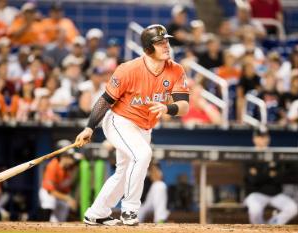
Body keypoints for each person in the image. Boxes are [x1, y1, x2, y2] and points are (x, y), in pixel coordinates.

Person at [75, 24, 189, 226]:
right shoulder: (128, 69)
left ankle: (96, 213)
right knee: (143, 155)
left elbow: (184, 106)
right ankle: (129, 210)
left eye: (166, 41)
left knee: (123, 172)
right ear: (147, 48)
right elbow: (105, 100)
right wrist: (90, 127)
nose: (166, 45)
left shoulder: (176, 70)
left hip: (145, 127)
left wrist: (167, 109)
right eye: (160, 42)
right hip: (120, 121)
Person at [243, 127, 298, 224]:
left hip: (275, 193)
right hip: (256, 194)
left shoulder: (275, 154)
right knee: (255, 211)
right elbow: (253, 180)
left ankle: (271, 226)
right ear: (254, 139)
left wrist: (261, 173)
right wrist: (270, 173)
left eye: (265, 137)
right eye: (260, 137)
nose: (263, 140)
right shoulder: (249, 155)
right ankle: (259, 230)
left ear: (268, 138)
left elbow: (280, 177)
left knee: (293, 208)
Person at [39, 139, 78, 222]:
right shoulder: (53, 166)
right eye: (69, 157)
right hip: (48, 193)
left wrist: (69, 199)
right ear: (62, 156)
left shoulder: (69, 168)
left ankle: (56, 226)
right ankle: (42, 225)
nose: (72, 160)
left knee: (65, 207)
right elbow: (50, 191)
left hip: (60, 195)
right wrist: (68, 198)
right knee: (50, 201)